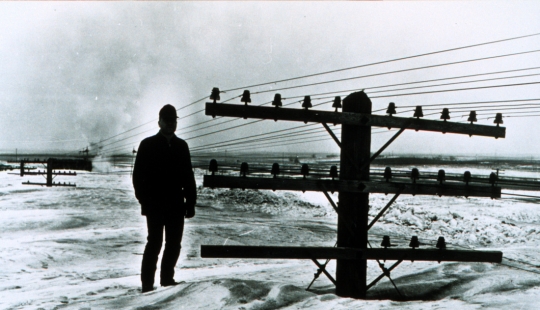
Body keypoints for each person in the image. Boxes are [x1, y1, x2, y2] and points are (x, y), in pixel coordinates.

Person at [132, 104, 197, 293]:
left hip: (176, 205)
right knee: (154, 243)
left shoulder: (181, 146)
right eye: (167, 120)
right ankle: (147, 285)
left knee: (174, 244)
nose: (170, 124)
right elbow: (138, 177)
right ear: (159, 121)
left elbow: (188, 176)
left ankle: (167, 280)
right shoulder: (148, 145)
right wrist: (144, 200)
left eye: (173, 121)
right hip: (155, 205)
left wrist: (190, 202)